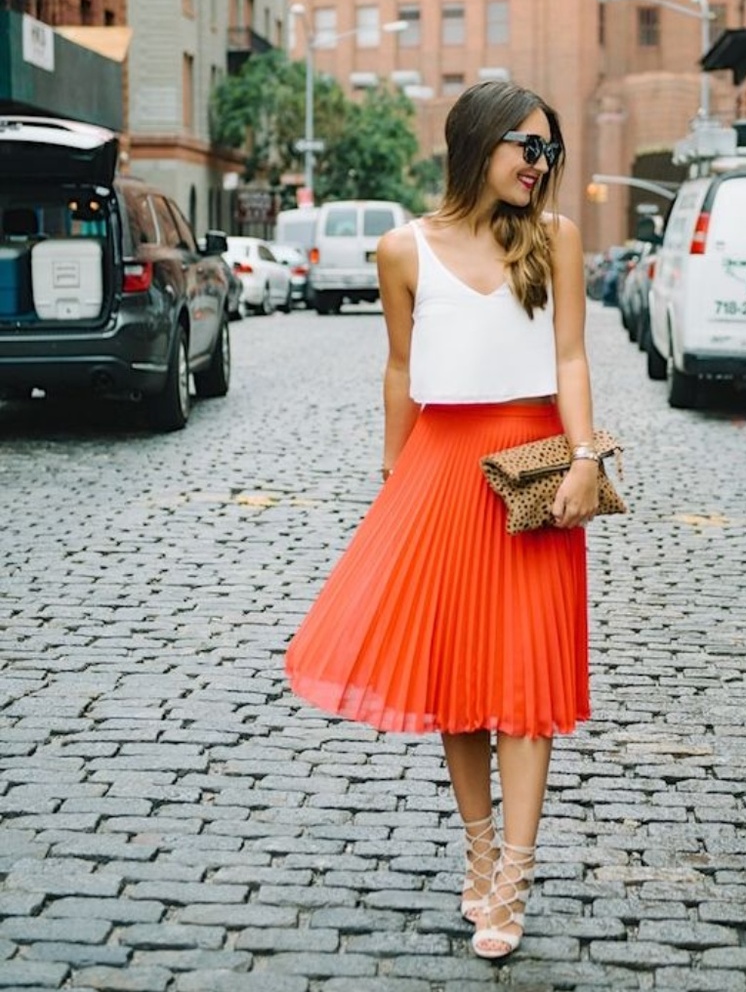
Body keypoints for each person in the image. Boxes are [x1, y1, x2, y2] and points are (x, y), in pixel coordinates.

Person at [284, 81, 600, 960]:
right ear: (477, 144)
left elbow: (570, 356)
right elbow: (399, 371)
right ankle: (480, 849)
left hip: (533, 466)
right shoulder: (403, 249)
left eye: (549, 152)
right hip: (438, 468)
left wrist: (585, 457)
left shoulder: (557, 240)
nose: (539, 166)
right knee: (460, 680)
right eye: (525, 148)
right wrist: (393, 476)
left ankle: (517, 879)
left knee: (527, 684)